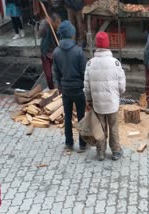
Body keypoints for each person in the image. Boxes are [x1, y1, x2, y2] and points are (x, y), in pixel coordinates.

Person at [84, 32, 126, 161]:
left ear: (97, 45)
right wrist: (119, 93)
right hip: (112, 102)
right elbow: (122, 85)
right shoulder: (115, 63)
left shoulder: (90, 63)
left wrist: (89, 99)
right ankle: (116, 151)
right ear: (108, 45)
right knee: (113, 126)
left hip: (97, 103)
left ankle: (101, 152)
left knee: (100, 127)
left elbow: (86, 86)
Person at [53, 21, 87, 152]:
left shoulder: (56, 52)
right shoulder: (78, 52)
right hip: (78, 89)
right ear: (72, 34)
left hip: (66, 90)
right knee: (81, 116)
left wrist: (59, 86)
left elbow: (56, 72)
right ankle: (83, 144)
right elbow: (84, 72)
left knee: (67, 116)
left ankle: (68, 142)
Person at [38, 13, 62, 90]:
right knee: (48, 75)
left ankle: (60, 89)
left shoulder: (59, 30)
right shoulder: (46, 25)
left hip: (56, 54)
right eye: (57, 23)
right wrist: (45, 23)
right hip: (46, 53)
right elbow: (40, 34)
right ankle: (51, 89)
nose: (58, 25)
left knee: (59, 74)